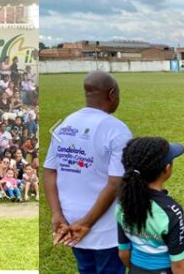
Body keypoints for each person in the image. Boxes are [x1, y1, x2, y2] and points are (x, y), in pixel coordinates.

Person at [42, 71, 132, 274]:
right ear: (111, 94)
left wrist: (57, 213)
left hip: (70, 223)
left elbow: (49, 171)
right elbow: (116, 182)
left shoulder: (65, 124)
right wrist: (87, 222)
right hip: (104, 230)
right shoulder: (116, 129)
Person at [115, 136, 184, 274]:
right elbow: (178, 265)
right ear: (167, 168)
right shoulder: (171, 211)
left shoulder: (123, 202)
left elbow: (123, 253)